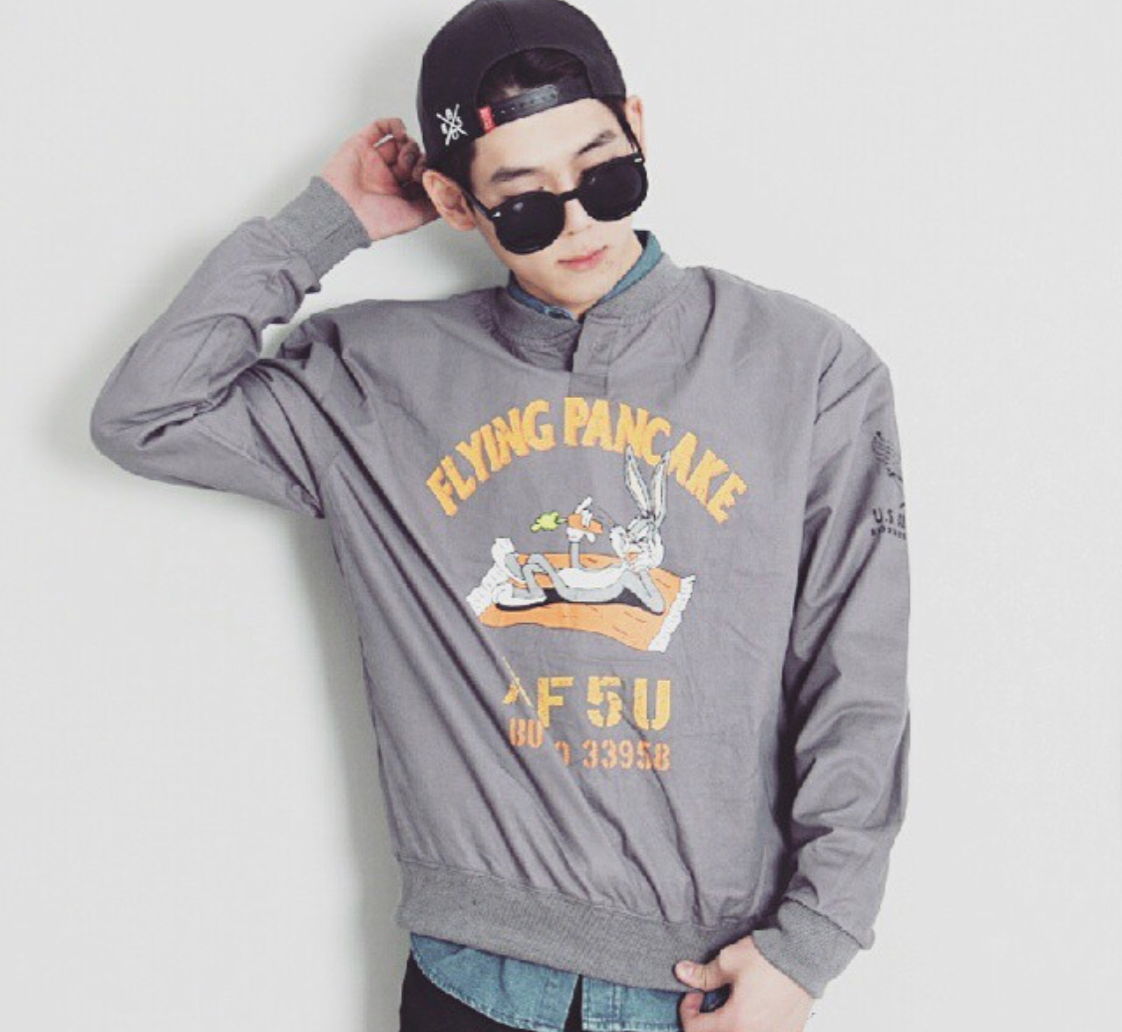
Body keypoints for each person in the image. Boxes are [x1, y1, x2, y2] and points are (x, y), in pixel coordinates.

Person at [89, 1, 912, 1030]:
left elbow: (856, 674)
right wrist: (324, 224)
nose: (579, 226)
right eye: (523, 205)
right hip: (472, 981)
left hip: (710, 985)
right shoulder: (375, 379)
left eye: (605, 177)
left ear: (638, 129)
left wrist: (814, 943)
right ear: (456, 201)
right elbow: (146, 415)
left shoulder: (806, 367)